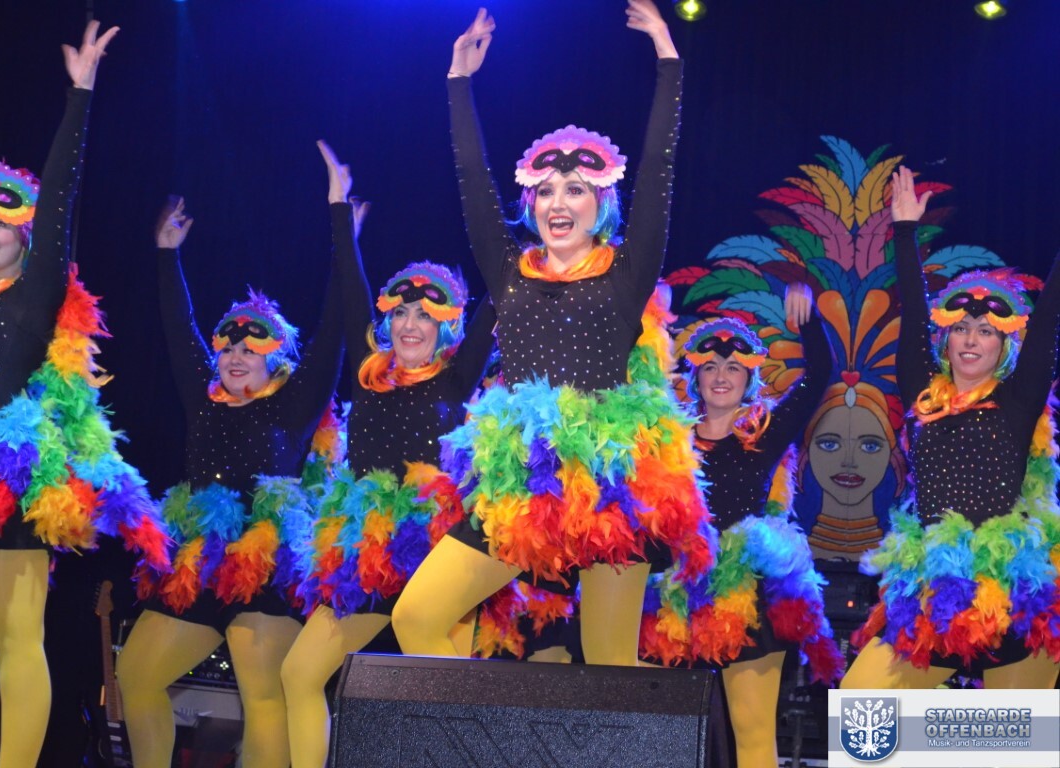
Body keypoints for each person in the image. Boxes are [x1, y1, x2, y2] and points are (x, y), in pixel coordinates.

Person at [392, 1, 712, 668]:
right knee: (416, 616)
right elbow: (471, 181)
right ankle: (466, 729)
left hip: (610, 482)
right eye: (545, 190)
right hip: (519, 481)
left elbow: (659, 169)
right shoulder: (509, 272)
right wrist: (458, 82)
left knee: (608, 666)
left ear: (602, 203)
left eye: (575, 189)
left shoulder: (626, 274)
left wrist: (668, 61)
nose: (558, 203)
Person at [0, 22, 171, 768]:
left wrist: (80, 93)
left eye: (2, 220)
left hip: (11, 478)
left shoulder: (34, 290)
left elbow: (61, 199)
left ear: (26, 235)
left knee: (15, 638)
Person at [281, 141, 496, 768]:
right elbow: (352, 290)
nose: (409, 324)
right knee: (299, 674)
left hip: (438, 546)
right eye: (400, 312)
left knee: (436, 696)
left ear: (446, 327)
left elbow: (499, 291)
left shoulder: (457, 377)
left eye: (424, 315)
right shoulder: (367, 373)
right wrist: (337, 206)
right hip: (366, 550)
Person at [117, 194, 343, 768]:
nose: (236, 357)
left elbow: (335, 330)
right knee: (136, 674)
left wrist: (344, 234)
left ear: (277, 361)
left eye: (251, 349)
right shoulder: (204, 400)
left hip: (264, 561)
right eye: (228, 348)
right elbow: (179, 329)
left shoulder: (293, 406)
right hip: (199, 560)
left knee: (263, 696)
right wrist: (167, 255)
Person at [841, 165, 1060, 689]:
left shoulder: (1017, 400)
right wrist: (904, 231)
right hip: (933, 586)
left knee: (1014, 734)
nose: (971, 339)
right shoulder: (922, 393)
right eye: (961, 327)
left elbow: (1051, 315)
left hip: (1012, 588)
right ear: (946, 338)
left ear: (1004, 346)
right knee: (863, 709)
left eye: (986, 331)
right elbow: (913, 313)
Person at [642, 288, 843, 768]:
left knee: (751, 732)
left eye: (733, 368)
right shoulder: (670, 436)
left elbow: (821, 374)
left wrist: (809, 322)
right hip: (677, 593)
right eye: (711, 366)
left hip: (745, 593)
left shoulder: (765, 431)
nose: (721, 376)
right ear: (695, 376)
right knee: (664, 733)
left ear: (749, 378)